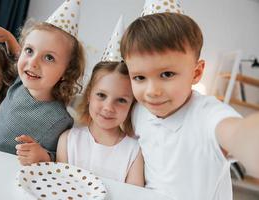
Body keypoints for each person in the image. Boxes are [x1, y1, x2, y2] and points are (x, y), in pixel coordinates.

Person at [120, 12, 259, 199]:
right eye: (139, 77)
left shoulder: (207, 115)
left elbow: (237, 133)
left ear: (196, 73)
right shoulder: (138, 110)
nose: (152, 91)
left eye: (167, 74)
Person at [0, 18, 85, 162]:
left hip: (5, 171)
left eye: (49, 58)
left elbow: (58, 158)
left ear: (67, 71)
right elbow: (18, 58)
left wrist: (44, 156)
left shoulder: (59, 119)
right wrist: (8, 38)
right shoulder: (20, 82)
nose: (33, 62)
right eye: (29, 50)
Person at [55, 61, 144, 186]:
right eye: (101, 95)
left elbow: (133, 195)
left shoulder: (134, 152)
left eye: (121, 100)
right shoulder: (68, 140)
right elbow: (59, 187)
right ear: (89, 95)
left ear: (132, 105)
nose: (108, 107)